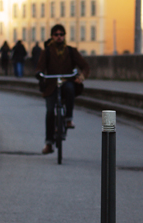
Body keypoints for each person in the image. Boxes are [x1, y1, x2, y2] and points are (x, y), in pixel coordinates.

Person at [35, 24, 90, 155]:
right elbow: (40, 67)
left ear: (64, 36)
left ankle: (68, 118)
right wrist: (39, 74)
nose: (59, 37)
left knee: (70, 89)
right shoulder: (47, 51)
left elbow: (85, 66)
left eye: (61, 34)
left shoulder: (71, 51)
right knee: (49, 112)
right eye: (56, 35)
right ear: (52, 37)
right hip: (51, 84)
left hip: (67, 81)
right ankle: (49, 143)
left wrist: (81, 77)